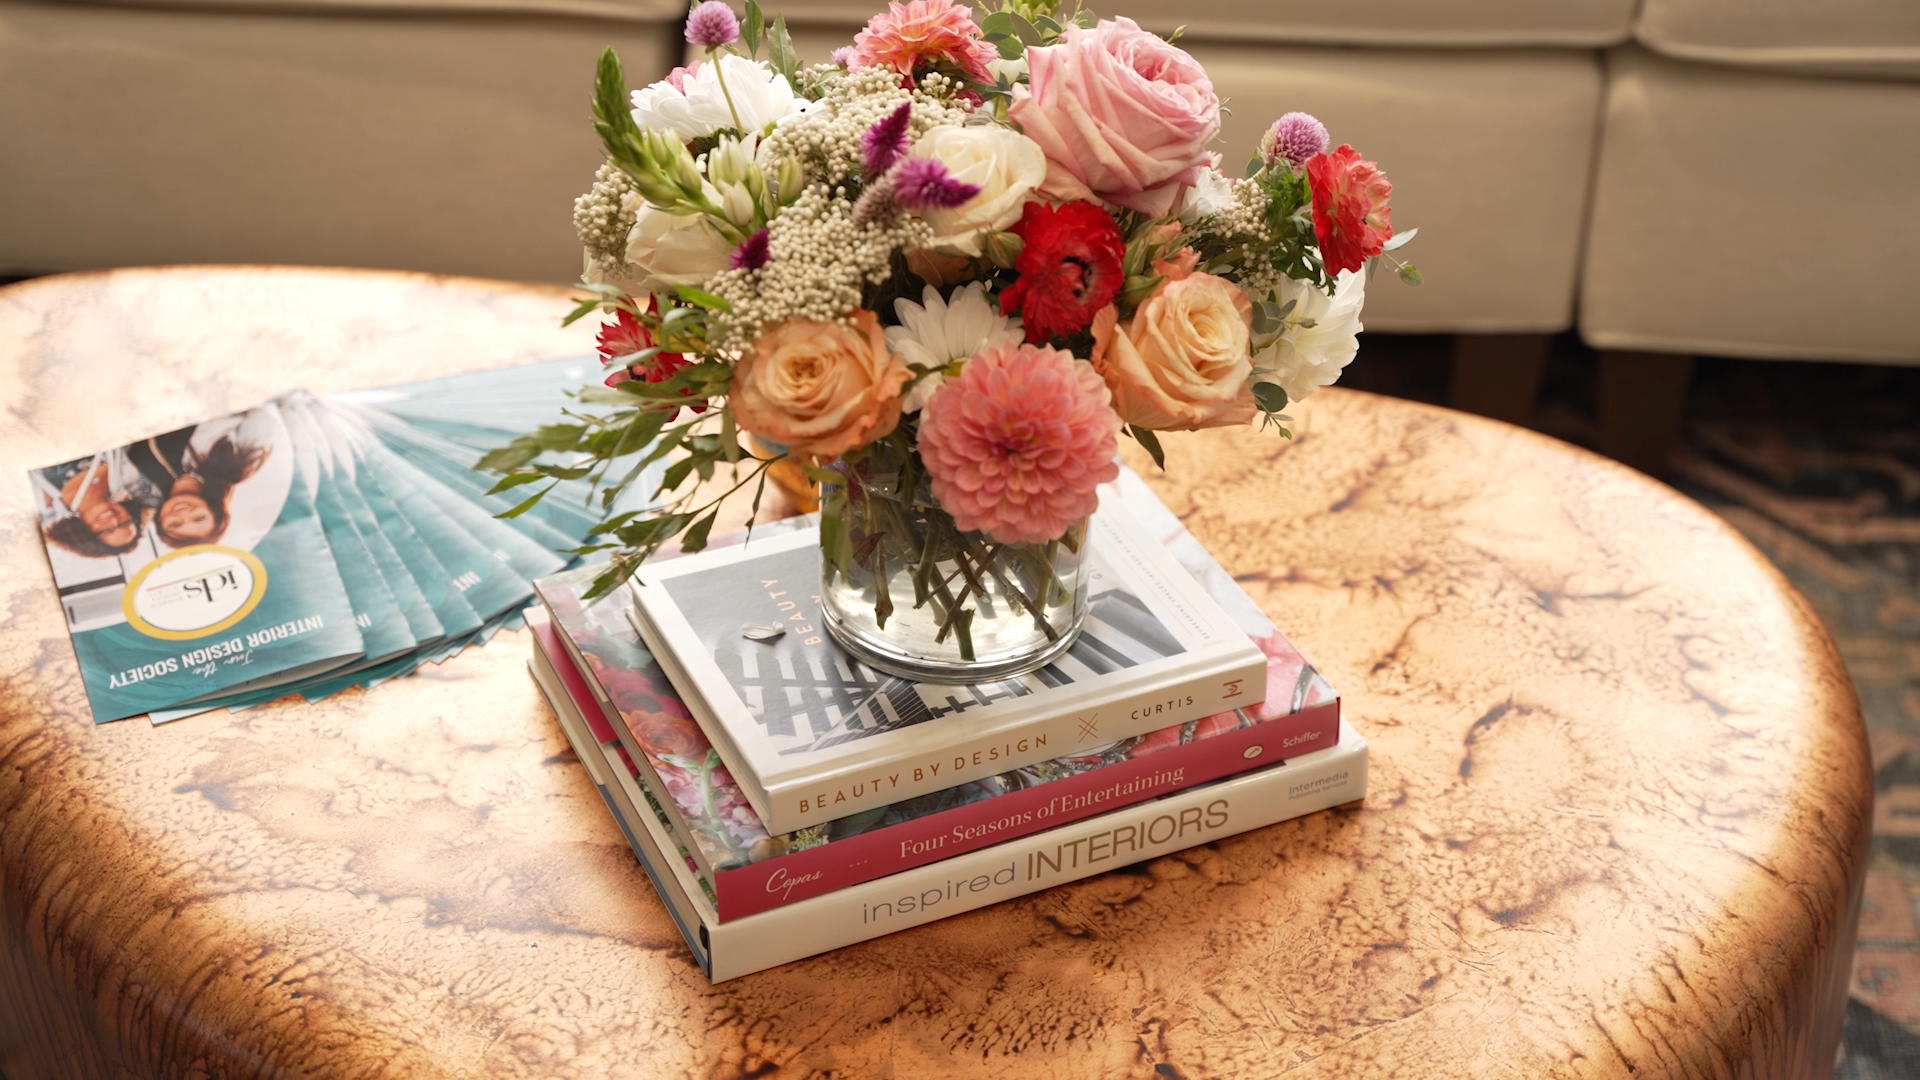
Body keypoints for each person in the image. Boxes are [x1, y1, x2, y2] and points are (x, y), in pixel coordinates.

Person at [128, 430, 269, 548]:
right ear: (214, 510)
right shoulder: (238, 466)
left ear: (160, 521)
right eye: (199, 517)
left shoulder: (142, 489)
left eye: (174, 524)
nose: (183, 513)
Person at [34, 451, 160, 559]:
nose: (114, 519)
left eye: (105, 530)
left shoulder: (42, 498)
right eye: (124, 523)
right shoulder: (129, 477)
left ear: (83, 533)